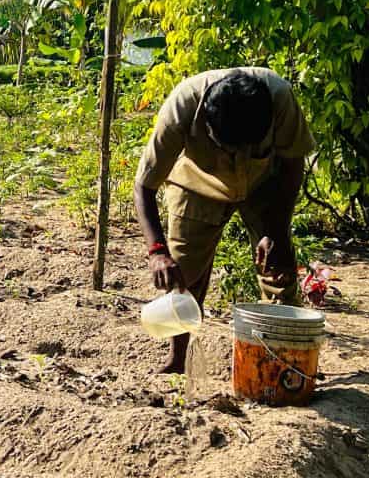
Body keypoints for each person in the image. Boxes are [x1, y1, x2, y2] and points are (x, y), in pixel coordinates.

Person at [133, 68, 315, 373]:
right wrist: (157, 252)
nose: (239, 156)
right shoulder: (182, 107)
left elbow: (293, 163)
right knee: (184, 273)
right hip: (197, 183)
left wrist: (276, 230)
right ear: (206, 123)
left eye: (249, 147)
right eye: (230, 148)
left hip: (263, 184)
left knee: (278, 267)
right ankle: (177, 360)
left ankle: (282, 363)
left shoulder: (280, 99)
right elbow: (144, 186)